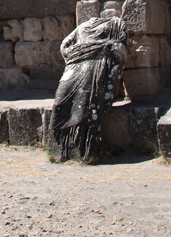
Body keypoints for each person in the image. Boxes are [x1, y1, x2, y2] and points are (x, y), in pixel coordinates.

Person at [50, 15, 128, 162]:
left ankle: (83, 149)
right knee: (60, 102)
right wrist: (79, 51)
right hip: (76, 63)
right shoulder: (83, 26)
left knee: (86, 102)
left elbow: (121, 46)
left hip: (98, 64)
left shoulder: (115, 23)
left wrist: (101, 49)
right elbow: (64, 46)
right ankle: (61, 148)